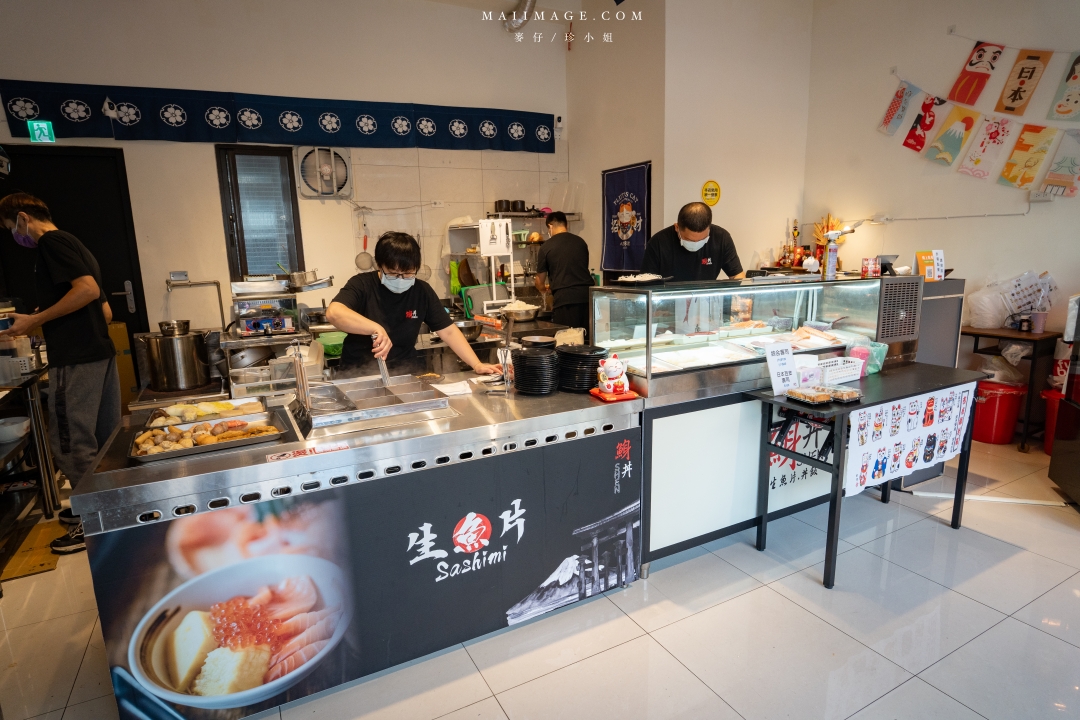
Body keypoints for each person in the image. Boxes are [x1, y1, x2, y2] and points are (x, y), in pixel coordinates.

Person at [0, 193, 119, 555]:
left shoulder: (50, 242)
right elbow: (105, 311)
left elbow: (87, 291)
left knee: (70, 443)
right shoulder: (77, 245)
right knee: (103, 443)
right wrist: (51, 313)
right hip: (99, 354)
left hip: (77, 359)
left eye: (9, 228)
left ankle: (97, 523)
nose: (13, 236)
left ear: (22, 218)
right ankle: (109, 511)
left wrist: (35, 320)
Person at [327, 232, 501, 376]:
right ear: (379, 266)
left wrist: (476, 364)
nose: (401, 279)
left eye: (408, 274)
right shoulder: (362, 284)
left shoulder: (421, 291)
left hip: (404, 373)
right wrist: (375, 328)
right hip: (358, 374)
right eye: (394, 274)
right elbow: (334, 313)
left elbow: (447, 330)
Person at [640, 202, 745, 282]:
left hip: (706, 303)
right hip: (667, 306)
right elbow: (646, 283)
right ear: (677, 227)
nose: (696, 244)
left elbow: (737, 275)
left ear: (709, 229)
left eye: (702, 240)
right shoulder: (658, 243)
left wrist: (741, 298)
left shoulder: (721, 238)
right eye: (689, 240)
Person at [534, 211, 593, 338]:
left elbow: (539, 281)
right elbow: (579, 270)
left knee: (566, 342)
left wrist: (544, 289)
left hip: (565, 301)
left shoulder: (546, 247)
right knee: (587, 341)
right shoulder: (581, 242)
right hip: (588, 297)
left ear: (550, 226)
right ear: (566, 225)